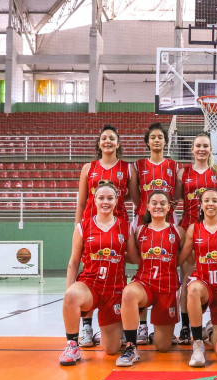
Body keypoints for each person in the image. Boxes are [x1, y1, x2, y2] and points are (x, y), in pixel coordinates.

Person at [74, 124, 139, 348]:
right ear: (99, 143)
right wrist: (78, 226)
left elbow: (134, 198)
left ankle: (114, 323)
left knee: (116, 271)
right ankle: (86, 327)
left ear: (118, 144)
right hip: (92, 228)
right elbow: (82, 201)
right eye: (104, 138)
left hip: (116, 227)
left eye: (112, 138)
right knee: (89, 276)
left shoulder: (127, 169)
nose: (108, 141)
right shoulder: (88, 168)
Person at [60, 180, 133, 366]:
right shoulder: (83, 226)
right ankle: (72, 345)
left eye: (110, 198)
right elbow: (74, 261)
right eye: (101, 198)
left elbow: (134, 258)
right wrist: (69, 294)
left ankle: (106, 329)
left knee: (111, 350)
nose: (105, 202)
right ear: (94, 200)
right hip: (90, 284)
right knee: (71, 296)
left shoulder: (126, 226)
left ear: (117, 201)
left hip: (115, 289)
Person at [117, 190, 184, 366]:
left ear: (169, 208)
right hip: (145, 284)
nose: (158, 206)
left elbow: (183, 257)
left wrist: (172, 264)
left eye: (163, 203)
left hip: (168, 288)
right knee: (129, 293)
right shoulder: (139, 230)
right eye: (154, 203)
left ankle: (160, 332)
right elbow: (134, 258)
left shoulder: (178, 231)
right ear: (147, 207)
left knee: (163, 347)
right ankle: (131, 346)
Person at [177, 188, 217, 367]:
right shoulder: (193, 228)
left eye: (214, 200)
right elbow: (183, 257)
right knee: (193, 289)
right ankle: (197, 343)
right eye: (206, 201)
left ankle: (210, 330)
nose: (210, 204)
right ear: (201, 205)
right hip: (203, 282)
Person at [174, 134, 217, 345]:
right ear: (193, 149)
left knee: (214, 275)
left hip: (213, 229)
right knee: (188, 280)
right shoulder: (182, 173)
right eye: (198, 146)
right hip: (189, 228)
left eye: (206, 146)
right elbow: (175, 199)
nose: (202, 149)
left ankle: (213, 321)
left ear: (210, 149)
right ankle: (186, 326)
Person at [133, 122, 179, 344]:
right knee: (143, 266)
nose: (157, 140)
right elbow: (135, 195)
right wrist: (144, 213)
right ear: (148, 141)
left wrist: (165, 209)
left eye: (160, 137)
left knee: (166, 264)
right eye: (153, 137)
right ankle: (141, 326)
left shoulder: (173, 164)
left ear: (165, 141)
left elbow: (177, 195)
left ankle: (169, 322)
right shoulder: (139, 164)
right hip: (145, 218)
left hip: (167, 219)